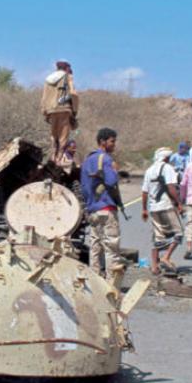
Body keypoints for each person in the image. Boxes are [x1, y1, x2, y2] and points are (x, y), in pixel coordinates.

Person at [81, 128, 125, 286]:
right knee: (111, 246)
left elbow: (84, 187)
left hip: (92, 209)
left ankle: (94, 281)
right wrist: (114, 168)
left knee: (95, 246)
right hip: (106, 208)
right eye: (112, 141)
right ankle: (111, 284)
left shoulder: (87, 161)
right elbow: (112, 181)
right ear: (103, 141)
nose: (114, 144)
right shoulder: (105, 159)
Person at [141, 147, 184, 274]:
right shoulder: (167, 168)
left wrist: (144, 209)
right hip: (166, 206)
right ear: (166, 158)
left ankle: (154, 267)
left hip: (153, 208)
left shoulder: (149, 170)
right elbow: (171, 187)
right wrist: (179, 203)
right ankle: (166, 257)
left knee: (158, 238)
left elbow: (144, 191)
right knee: (178, 234)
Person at [41, 60, 79, 165]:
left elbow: (44, 97)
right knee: (63, 136)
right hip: (64, 108)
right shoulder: (68, 77)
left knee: (54, 135)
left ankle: (53, 157)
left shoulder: (48, 79)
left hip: (51, 110)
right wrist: (75, 109)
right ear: (66, 68)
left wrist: (44, 111)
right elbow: (73, 93)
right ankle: (59, 160)